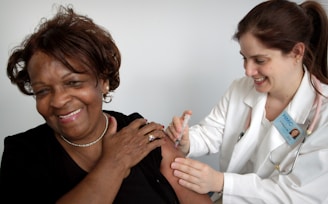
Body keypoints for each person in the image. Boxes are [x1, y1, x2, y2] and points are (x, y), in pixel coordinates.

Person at [0, 5, 212, 204]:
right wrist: (115, 163)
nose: (58, 101)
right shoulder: (23, 153)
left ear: (103, 81)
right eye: (43, 91)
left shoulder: (141, 134)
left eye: (73, 82)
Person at [166, 0, 328, 203]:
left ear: (296, 52)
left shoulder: (323, 115)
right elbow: (212, 131)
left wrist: (222, 182)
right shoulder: (241, 89)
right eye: (244, 58)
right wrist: (188, 142)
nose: (248, 71)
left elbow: (298, 195)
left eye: (260, 60)